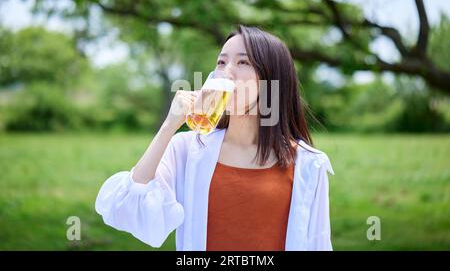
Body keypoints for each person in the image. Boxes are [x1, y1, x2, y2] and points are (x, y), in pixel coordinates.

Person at [95, 24, 334, 251]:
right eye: (221, 62)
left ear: (272, 80)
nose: (226, 72)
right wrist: (169, 126)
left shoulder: (309, 164)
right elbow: (126, 207)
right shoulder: (188, 148)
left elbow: (318, 244)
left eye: (243, 61)